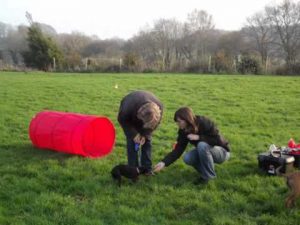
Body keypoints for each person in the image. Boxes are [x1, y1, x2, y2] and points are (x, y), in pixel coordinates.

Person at [154, 107, 230, 184]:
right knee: (187, 158)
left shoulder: (204, 122)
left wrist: (199, 137)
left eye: (179, 122)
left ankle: (208, 177)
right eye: (177, 122)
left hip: (222, 152)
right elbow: (178, 149)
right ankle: (206, 172)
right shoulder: (183, 131)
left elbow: (217, 140)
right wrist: (164, 163)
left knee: (201, 145)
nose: (178, 124)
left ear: (187, 119)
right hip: (206, 151)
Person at [118, 90, 163, 175]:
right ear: (139, 115)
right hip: (130, 118)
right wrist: (134, 134)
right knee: (132, 143)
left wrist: (145, 134)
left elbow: (155, 124)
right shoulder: (128, 107)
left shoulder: (159, 107)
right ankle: (133, 170)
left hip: (146, 120)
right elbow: (122, 120)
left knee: (147, 142)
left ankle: (147, 169)